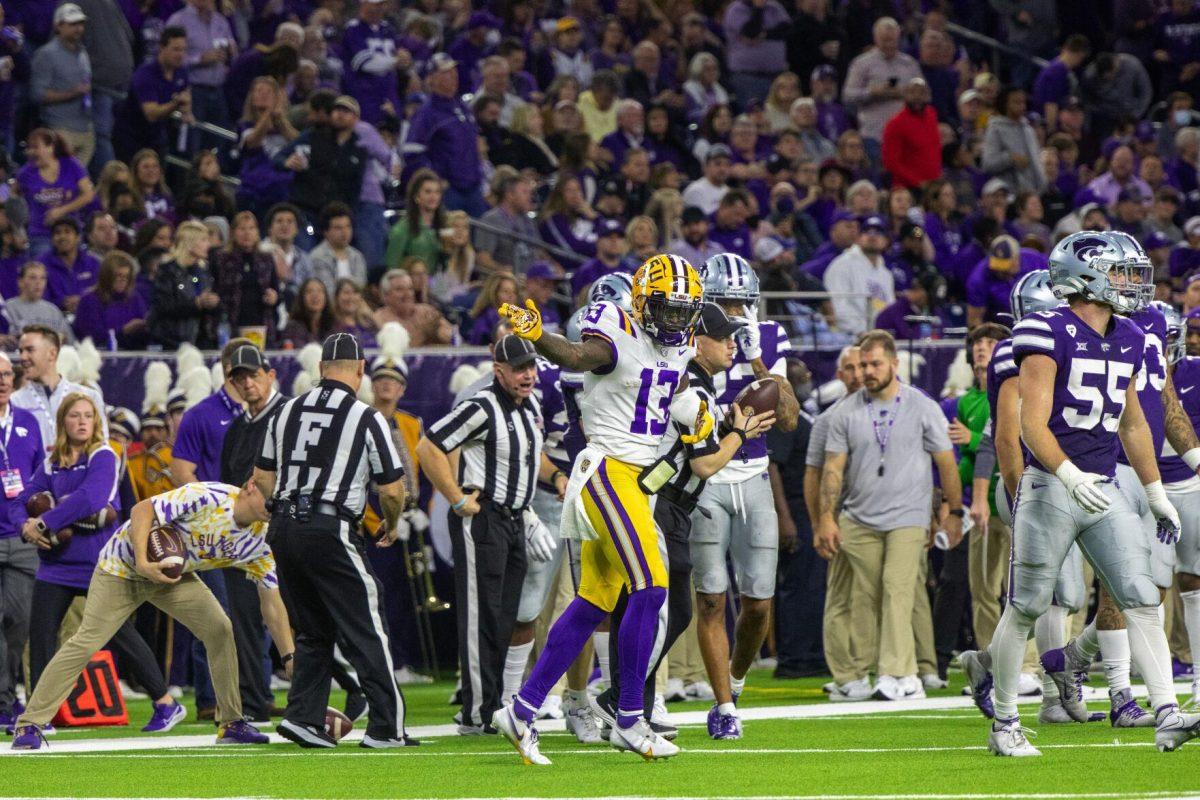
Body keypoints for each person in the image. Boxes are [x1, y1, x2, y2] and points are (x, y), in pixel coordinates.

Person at [959, 231, 1200, 756]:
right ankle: (1003, 723)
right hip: (1051, 484)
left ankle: (1166, 713)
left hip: (1105, 483)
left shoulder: (1133, 336)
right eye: (1121, 272)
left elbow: (1135, 424)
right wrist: (1068, 475)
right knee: (1025, 606)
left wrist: (1155, 492)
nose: (1132, 283)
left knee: (1139, 596)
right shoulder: (1045, 331)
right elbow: (1031, 424)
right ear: (1086, 276)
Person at [494, 254, 707, 763]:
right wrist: (540, 336)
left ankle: (520, 710)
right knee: (651, 586)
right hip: (609, 472)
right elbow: (577, 356)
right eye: (666, 309)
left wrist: (693, 413)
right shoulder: (614, 325)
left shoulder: (677, 348)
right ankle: (631, 716)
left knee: (593, 601)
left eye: (684, 311)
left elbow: (664, 390)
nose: (675, 320)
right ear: (641, 300)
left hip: (636, 480)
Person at [597, 302, 777, 736]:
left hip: (667, 503)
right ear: (697, 342)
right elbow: (704, 466)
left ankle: (625, 700)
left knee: (661, 608)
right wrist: (740, 433)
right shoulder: (691, 389)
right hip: (662, 502)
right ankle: (620, 702)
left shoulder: (696, 384)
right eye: (723, 336)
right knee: (659, 608)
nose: (732, 343)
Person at [10, 480, 289, 750]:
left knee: (220, 628)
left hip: (171, 576)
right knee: (87, 641)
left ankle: (231, 722)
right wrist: (144, 562)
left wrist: (289, 657)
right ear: (251, 486)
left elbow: (273, 604)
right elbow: (142, 509)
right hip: (122, 568)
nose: (273, 508)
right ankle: (30, 723)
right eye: (270, 499)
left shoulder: (260, 541)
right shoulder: (209, 496)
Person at [252, 332, 416, 749]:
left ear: (321, 368)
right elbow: (393, 488)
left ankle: (304, 717)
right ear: (360, 371)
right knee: (367, 622)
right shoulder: (366, 417)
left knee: (312, 628)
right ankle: (386, 726)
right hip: (330, 525)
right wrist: (391, 522)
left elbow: (263, 478)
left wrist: (282, 510)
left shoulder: (284, 411)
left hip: (284, 528)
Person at [417, 335, 565, 732]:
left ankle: (497, 701)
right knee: (480, 615)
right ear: (497, 370)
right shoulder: (480, 406)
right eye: (519, 369)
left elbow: (533, 455)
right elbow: (428, 447)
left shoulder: (530, 404)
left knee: (507, 614)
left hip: (516, 518)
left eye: (531, 367)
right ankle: (476, 713)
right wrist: (454, 497)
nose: (528, 375)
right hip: (482, 518)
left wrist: (558, 476)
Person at [18, 393, 179, 740]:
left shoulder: (104, 454)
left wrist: (43, 521)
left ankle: (165, 701)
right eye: (74, 416)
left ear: (95, 422)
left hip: (98, 563)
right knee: (42, 637)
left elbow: (94, 499)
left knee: (121, 634)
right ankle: (37, 718)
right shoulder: (52, 460)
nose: (80, 422)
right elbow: (25, 498)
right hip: (55, 564)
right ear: (63, 421)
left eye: (87, 416)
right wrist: (25, 525)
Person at [816, 330, 962, 701]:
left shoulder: (922, 405)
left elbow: (946, 464)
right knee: (865, 596)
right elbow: (832, 470)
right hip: (859, 518)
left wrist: (953, 512)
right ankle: (868, 673)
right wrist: (826, 518)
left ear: (894, 364)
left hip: (907, 517)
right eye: (863, 364)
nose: (867, 370)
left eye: (875, 363)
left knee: (897, 589)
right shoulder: (845, 412)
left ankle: (900, 673)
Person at [689, 255, 799, 738]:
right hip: (705, 482)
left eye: (741, 302)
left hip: (753, 478)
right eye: (725, 302)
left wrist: (758, 361)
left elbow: (792, 419)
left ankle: (735, 680)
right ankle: (724, 706)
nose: (734, 311)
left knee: (757, 604)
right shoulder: (690, 336)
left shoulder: (767, 337)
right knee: (711, 600)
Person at [219, 344, 287, 724]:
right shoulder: (237, 429)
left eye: (253, 375)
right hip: (242, 536)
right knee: (243, 617)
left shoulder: (287, 417)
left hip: (279, 533)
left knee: (293, 615)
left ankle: (337, 686)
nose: (247, 383)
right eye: (239, 378)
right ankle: (254, 698)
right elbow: (227, 482)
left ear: (270, 374)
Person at [0, 353, 43, 730]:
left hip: (20, 534)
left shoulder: (28, 422)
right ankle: (3, 700)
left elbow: (39, 477)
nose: (2, 380)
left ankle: (8, 690)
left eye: (6, 374)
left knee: (18, 621)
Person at [403, 54, 485, 217]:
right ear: (432, 79)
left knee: (476, 240)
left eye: (454, 71)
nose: (453, 75)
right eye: (446, 72)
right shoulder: (427, 113)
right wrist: (436, 180)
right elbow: (411, 152)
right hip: (449, 191)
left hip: (473, 187)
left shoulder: (462, 107)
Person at [274, 96, 367, 237]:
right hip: (305, 209)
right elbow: (278, 158)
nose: (340, 114)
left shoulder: (359, 150)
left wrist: (349, 216)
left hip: (334, 217)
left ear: (355, 119)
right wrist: (287, 163)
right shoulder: (313, 135)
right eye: (337, 109)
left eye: (346, 111)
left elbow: (356, 188)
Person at [841, 18, 921, 160]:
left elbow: (923, 95)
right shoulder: (862, 63)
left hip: (905, 136)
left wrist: (906, 94)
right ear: (875, 38)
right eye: (884, 40)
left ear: (899, 37)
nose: (888, 44)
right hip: (874, 135)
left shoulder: (910, 64)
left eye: (892, 39)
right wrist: (872, 92)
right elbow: (847, 96)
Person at [12, 326, 104, 445]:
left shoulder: (89, 397)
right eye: (21, 351)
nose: (23, 357)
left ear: (52, 353)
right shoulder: (13, 402)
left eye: (30, 350)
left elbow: (101, 446)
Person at [30, 4, 95, 168]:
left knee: (78, 185)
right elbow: (37, 94)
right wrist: (72, 93)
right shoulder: (46, 54)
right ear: (58, 26)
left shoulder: (83, 52)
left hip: (85, 127)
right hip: (60, 127)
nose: (79, 28)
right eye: (73, 24)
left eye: (80, 24)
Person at [14, 129, 94, 256]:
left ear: (50, 147)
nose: (30, 152)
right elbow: (12, 199)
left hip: (70, 232)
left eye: (35, 147)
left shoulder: (71, 164)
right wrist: (18, 229)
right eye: (29, 148)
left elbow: (88, 194)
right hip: (40, 234)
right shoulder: (25, 173)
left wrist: (62, 210)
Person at [165, 0, 236, 140]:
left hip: (218, 90)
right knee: (194, 138)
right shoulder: (178, 20)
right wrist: (199, 60)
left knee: (219, 140)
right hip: (192, 91)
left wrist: (230, 54)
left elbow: (232, 48)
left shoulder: (220, 21)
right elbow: (167, 57)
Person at [147, 221, 220, 350]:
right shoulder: (167, 270)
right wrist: (196, 303)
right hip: (173, 342)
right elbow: (164, 306)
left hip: (202, 342)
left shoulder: (203, 270)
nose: (208, 245)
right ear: (189, 243)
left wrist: (214, 302)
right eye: (203, 240)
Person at [120, 26, 191, 159]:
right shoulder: (145, 75)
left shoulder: (181, 71)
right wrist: (175, 104)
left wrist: (187, 110)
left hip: (158, 137)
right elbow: (151, 114)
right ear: (162, 48)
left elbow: (186, 94)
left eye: (183, 50)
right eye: (176, 49)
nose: (180, 54)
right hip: (133, 137)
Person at [213, 212, 280, 345]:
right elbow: (215, 289)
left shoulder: (266, 259)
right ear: (233, 233)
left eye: (251, 228)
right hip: (230, 325)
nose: (247, 233)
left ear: (257, 232)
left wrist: (274, 297)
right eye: (242, 229)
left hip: (261, 326)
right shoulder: (220, 259)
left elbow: (277, 292)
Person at [823, 216, 895, 336]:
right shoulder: (842, 264)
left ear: (886, 241)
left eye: (878, 232)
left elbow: (889, 308)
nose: (872, 236)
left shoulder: (886, 274)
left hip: (879, 338)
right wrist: (861, 332)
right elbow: (837, 307)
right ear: (858, 238)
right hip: (849, 337)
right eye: (867, 231)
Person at [72, 251, 147, 349]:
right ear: (107, 276)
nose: (123, 280)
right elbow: (90, 337)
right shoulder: (89, 301)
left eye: (126, 277)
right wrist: (122, 331)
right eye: (118, 276)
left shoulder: (135, 298)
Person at [475, 174, 544, 276]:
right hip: (503, 283)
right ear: (510, 195)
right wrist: (505, 272)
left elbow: (539, 251)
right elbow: (482, 259)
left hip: (530, 281)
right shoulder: (491, 220)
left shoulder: (527, 220)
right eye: (525, 192)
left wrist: (553, 267)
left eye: (530, 193)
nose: (530, 197)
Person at [981, 87, 1046, 195]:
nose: (1022, 106)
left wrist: (1043, 184)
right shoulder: (995, 129)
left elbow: (1036, 162)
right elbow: (988, 164)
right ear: (1005, 103)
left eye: (1023, 102)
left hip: (1033, 194)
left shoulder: (1028, 129)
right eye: (1017, 102)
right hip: (1010, 195)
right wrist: (1011, 158)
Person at [881, 78, 940, 191]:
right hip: (908, 188)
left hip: (933, 186)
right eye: (912, 92)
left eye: (922, 92)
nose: (917, 96)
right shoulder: (895, 124)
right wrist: (917, 182)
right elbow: (891, 163)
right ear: (904, 94)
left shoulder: (932, 114)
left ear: (928, 95)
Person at [373, 269, 453, 347]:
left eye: (410, 288)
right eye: (399, 289)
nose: (407, 294)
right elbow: (398, 349)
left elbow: (453, 338)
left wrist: (437, 334)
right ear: (386, 295)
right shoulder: (379, 318)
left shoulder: (426, 311)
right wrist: (425, 334)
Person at [385, 170, 444, 273]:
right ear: (416, 196)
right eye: (428, 192)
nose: (433, 197)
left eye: (437, 192)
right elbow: (392, 267)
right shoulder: (402, 229)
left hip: (437, 285)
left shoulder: (443, 225)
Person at [39, 217, 98, 313]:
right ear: (53, 239)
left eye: (67, 232)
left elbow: (101, 291)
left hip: (89, 314)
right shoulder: (42, 264)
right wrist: (63, 303)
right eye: (57, 233)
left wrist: (82, 300)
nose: (62, 236)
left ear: (78, 238)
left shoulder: (92, 262)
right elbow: (40, 299)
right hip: (56, 316)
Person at [4, 262, 72, 342]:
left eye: (43, 278)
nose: (38, 282)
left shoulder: (53, 310)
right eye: (33, 278)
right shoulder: (8, 309)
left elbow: (69, 340)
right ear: (20, 282)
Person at [309, 202, 367, 297]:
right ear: (326, 232)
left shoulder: (357, 256)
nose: (345, 232)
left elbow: (360, 288)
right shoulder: (317, 257)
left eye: (348, 226)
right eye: (338, 228)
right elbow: (327, 293)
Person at [280, 278, 336, 347]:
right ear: (302, 297)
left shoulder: (334, 326)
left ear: (326, 297)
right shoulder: (292, 327)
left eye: (319, 291)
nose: (315, 295)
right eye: (309, 291)